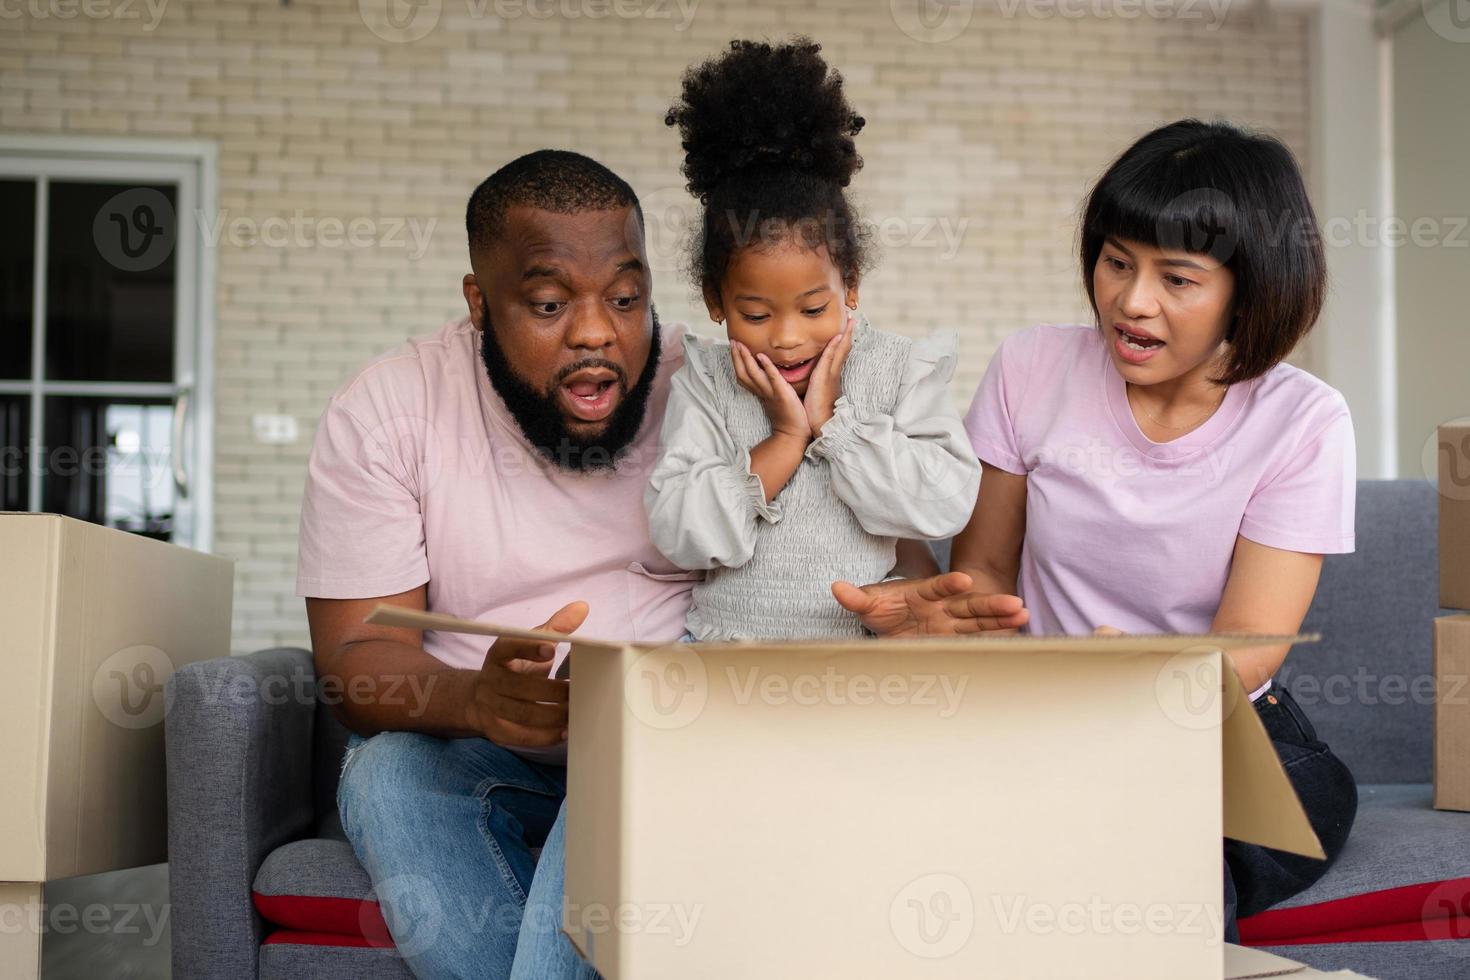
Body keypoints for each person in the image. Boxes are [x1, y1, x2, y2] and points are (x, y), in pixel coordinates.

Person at [298, 148, 1024, 979]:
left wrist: (904, 609)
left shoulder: (731, 375)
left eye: (626, 298)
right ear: (478, 302)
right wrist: (481, 699)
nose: (596, 330)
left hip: (680, 729)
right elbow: (352, 657)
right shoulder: (389, 410)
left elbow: (885, 544)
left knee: (634, 744)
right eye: (546, 303)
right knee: (388, 771)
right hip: (488, 738)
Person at [950, 118, 1358, 940]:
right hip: (1045, 716)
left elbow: (1249, 648)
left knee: (1156, 851)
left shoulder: (1303, 419)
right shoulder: (1031, 367)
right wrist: (951, 618)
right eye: (1116, 263)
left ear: (1252, 288)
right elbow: (984, 571)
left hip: (1221, 732)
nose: (1131, 302)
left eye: (1178, 278)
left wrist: (1136, 683)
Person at [647, 38, 981, 641]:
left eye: (813, 308)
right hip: (727, 661)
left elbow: (943, 503)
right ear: (715, 302)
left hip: (858, 666)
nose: (788, 339)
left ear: (850, 285)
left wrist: (834, 425)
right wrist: (784, 438)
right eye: (755, 314)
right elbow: (681, 534)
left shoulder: (901, 369)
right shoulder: (705, 382)